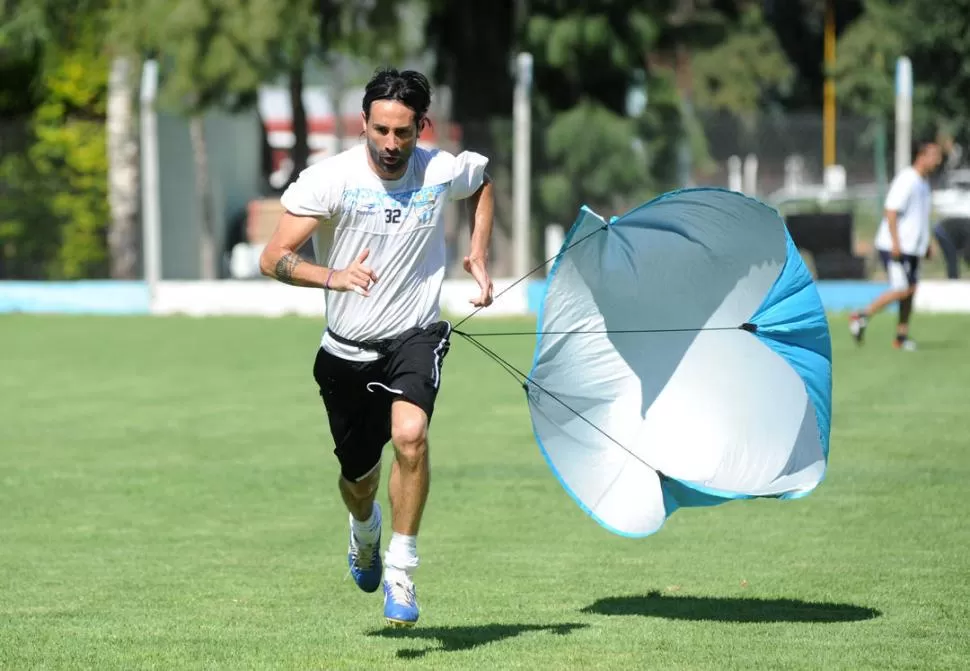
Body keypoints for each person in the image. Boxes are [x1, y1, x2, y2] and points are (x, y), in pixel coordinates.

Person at [258, 67, 495, 627]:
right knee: (359, 481)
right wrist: (331, 276)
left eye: (403, 133)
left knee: (411, 438)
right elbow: (271, 258)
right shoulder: (331, 180)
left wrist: (479, 253)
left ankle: (402, 570)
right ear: (363, 122)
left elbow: (482, 184)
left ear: (422, 128)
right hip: (345, 350)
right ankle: (364, 531)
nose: (391, 145)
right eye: (381, 130)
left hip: (415, 336)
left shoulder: (439, 169)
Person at [850, 139, 943, 350]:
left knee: (911, 291)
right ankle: (861, 315)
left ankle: (901, 337)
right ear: (921, 156)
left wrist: (926, 243)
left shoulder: (923, 183)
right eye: (934, 155)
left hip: (913, 247)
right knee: (902, 289)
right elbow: (891, 210)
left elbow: (919, 217)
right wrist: (895, 242)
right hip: (896, 246)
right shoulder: (907, 179)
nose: (937, 160)